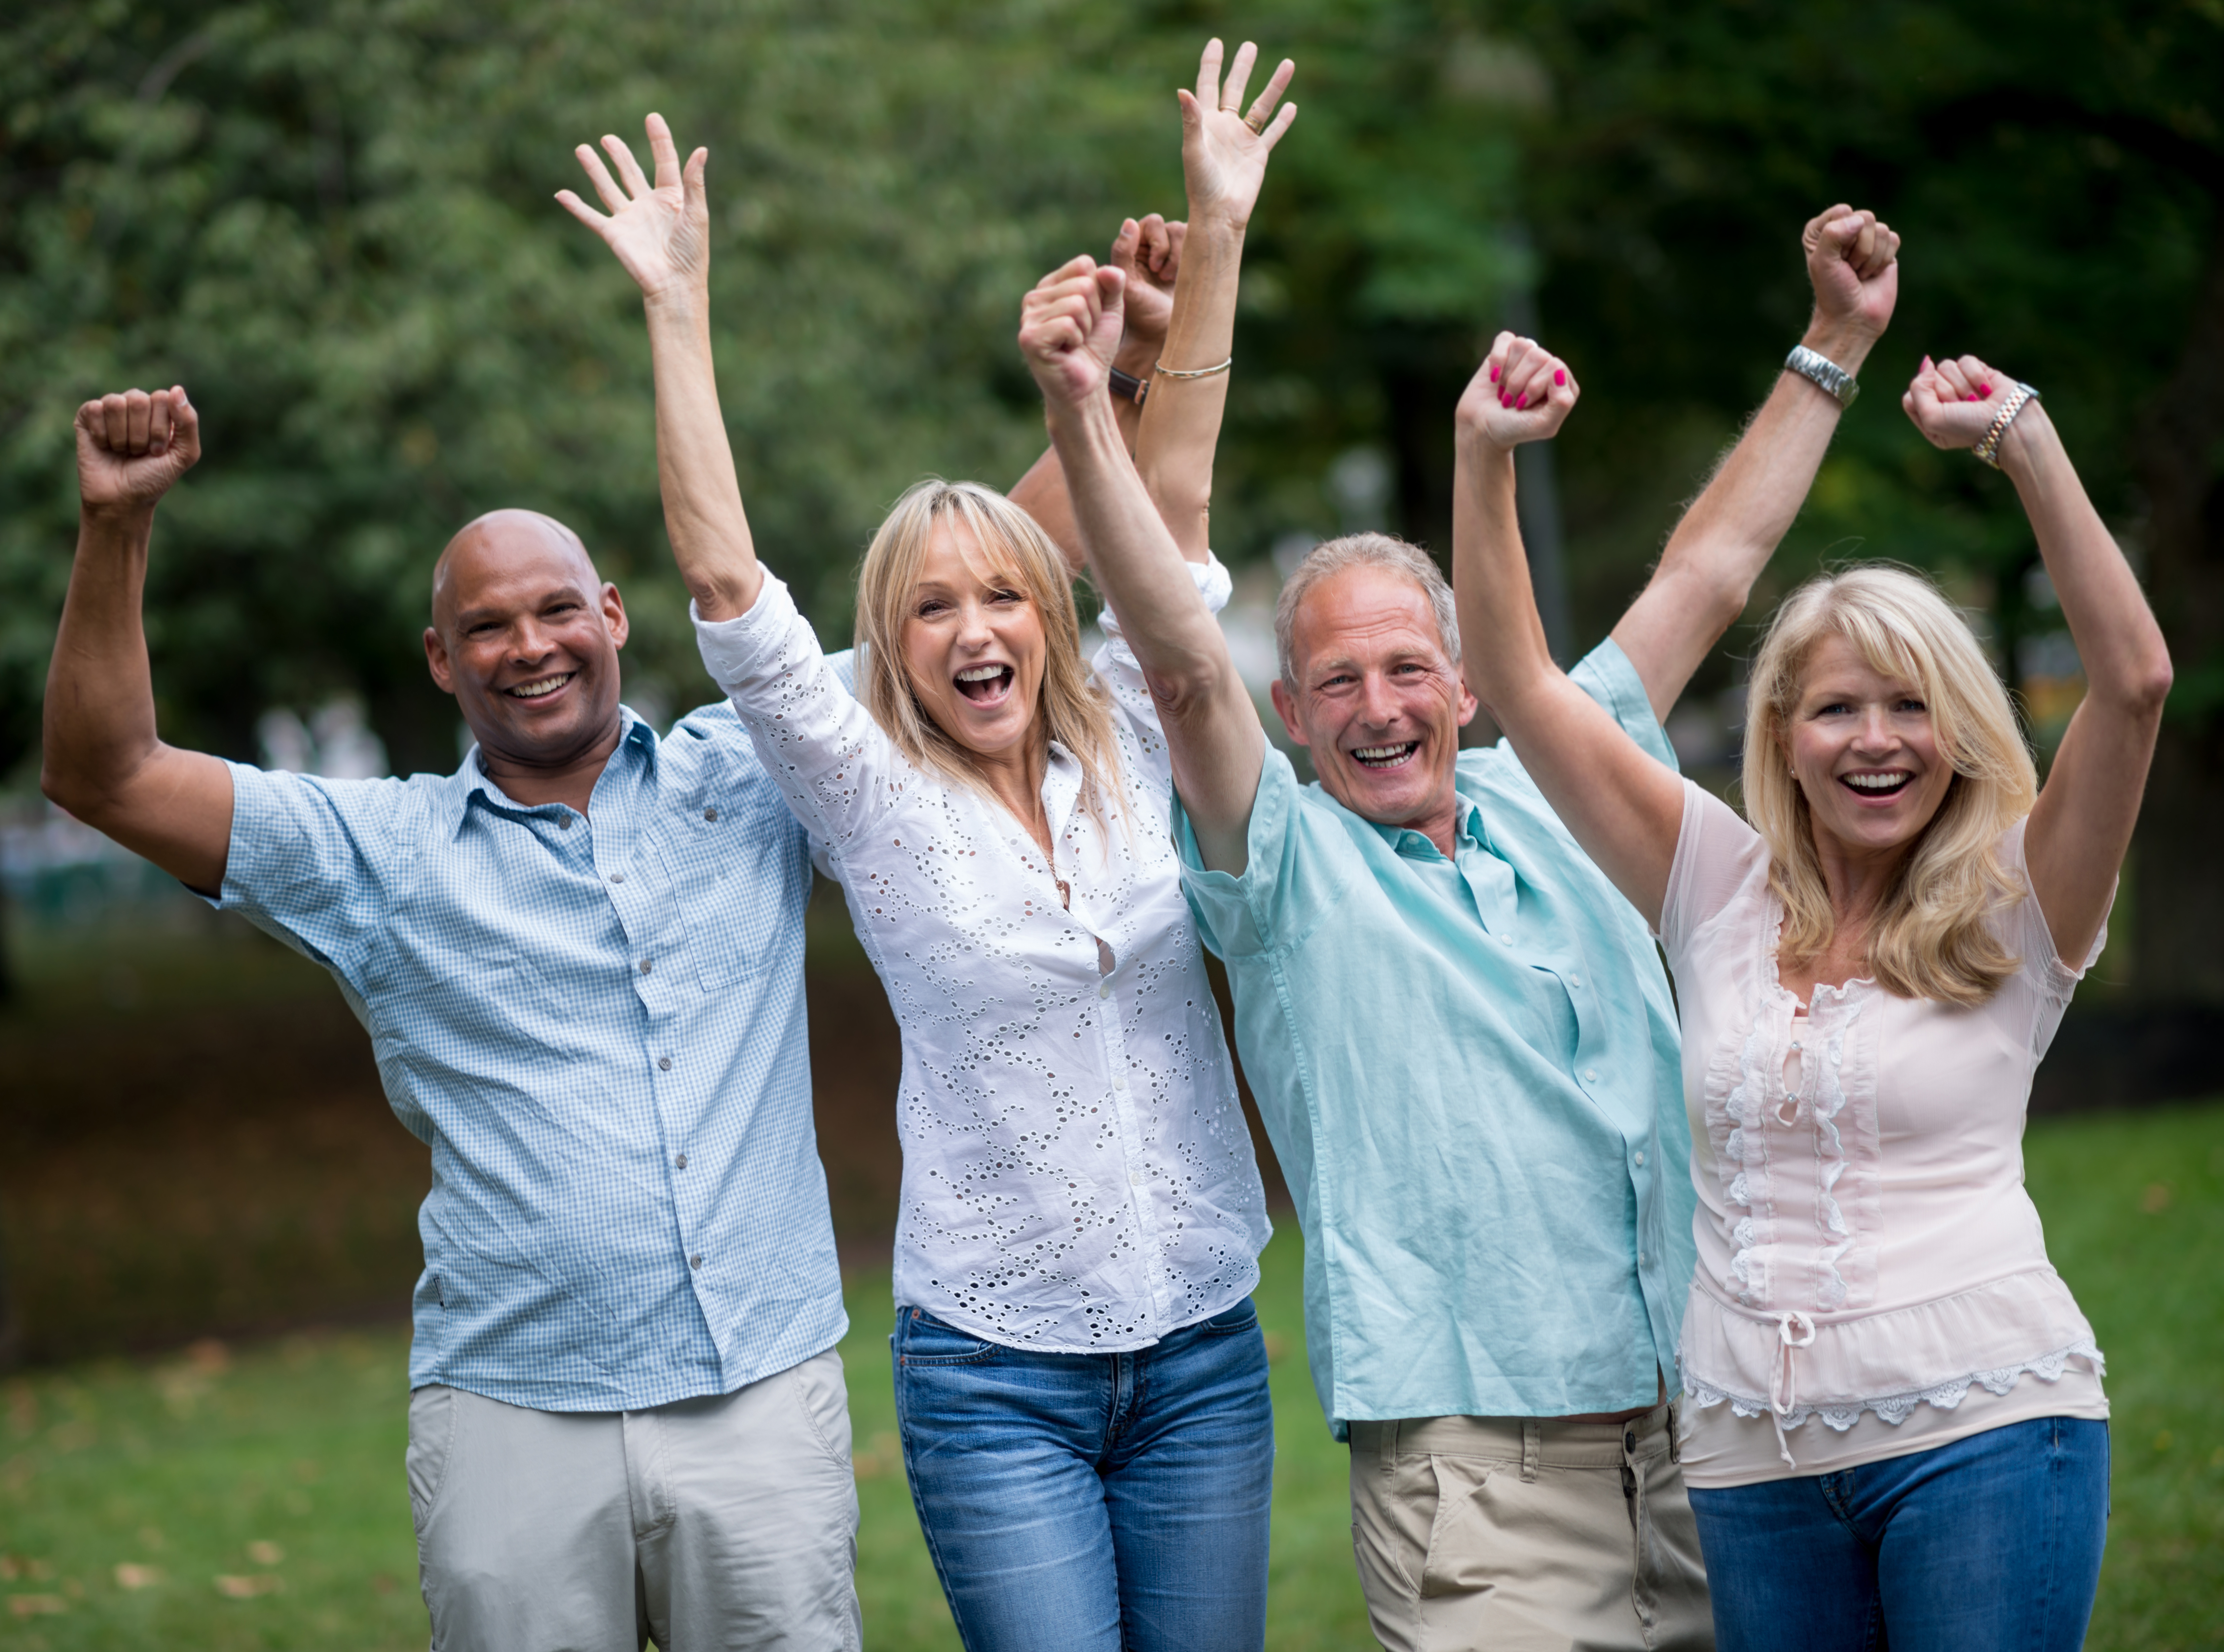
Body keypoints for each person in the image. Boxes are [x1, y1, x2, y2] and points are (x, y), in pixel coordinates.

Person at [1024, 201, 1904, 1651]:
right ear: (1292, 715)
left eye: (1409, 669)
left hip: (1715, 1424)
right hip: (1477, 1464)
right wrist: (1085, 414)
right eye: (1337, 684)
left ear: (1471, 682)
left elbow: (1711, 575)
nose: (1379, 708)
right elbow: (1181, 662)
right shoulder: (1284, 859)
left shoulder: (1565, 780)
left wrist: (1831, 343)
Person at [554, 44, 1294, 1652]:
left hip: (1205, 1349)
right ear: (891, 649)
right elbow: (727, 577)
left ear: (1050, 611)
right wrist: (677, 308)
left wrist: (1214, 235)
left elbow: (1164, 515)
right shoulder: (866, 783)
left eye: (1004, 592)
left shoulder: (1128, 722)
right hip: (995, 1371)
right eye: (931, 606)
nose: (975, 629)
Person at [44, 403, 861, 1644]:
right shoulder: (382, 853)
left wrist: (1103, 397)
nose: (528, 646)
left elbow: (963, 590)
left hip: (759, 1401)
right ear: (440, 660)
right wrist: (116, 522)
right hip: (513, 1421)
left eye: (554, 610)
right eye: (486, 626)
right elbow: (105, 773)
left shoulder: (754, 770)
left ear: (615, 616)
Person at [1449, 337, 2167, 1643]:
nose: (1877, 740)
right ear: (1782, 731)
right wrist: (1484, 458)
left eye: (1911, 706)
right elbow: (1520, 688)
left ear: (1955, 732)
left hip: (1986, 1422)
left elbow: (2134, 683)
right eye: (1839, 708)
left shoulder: (2026, 899)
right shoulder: (1714, 883)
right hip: (1749, 1458)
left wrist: (2022, 436)